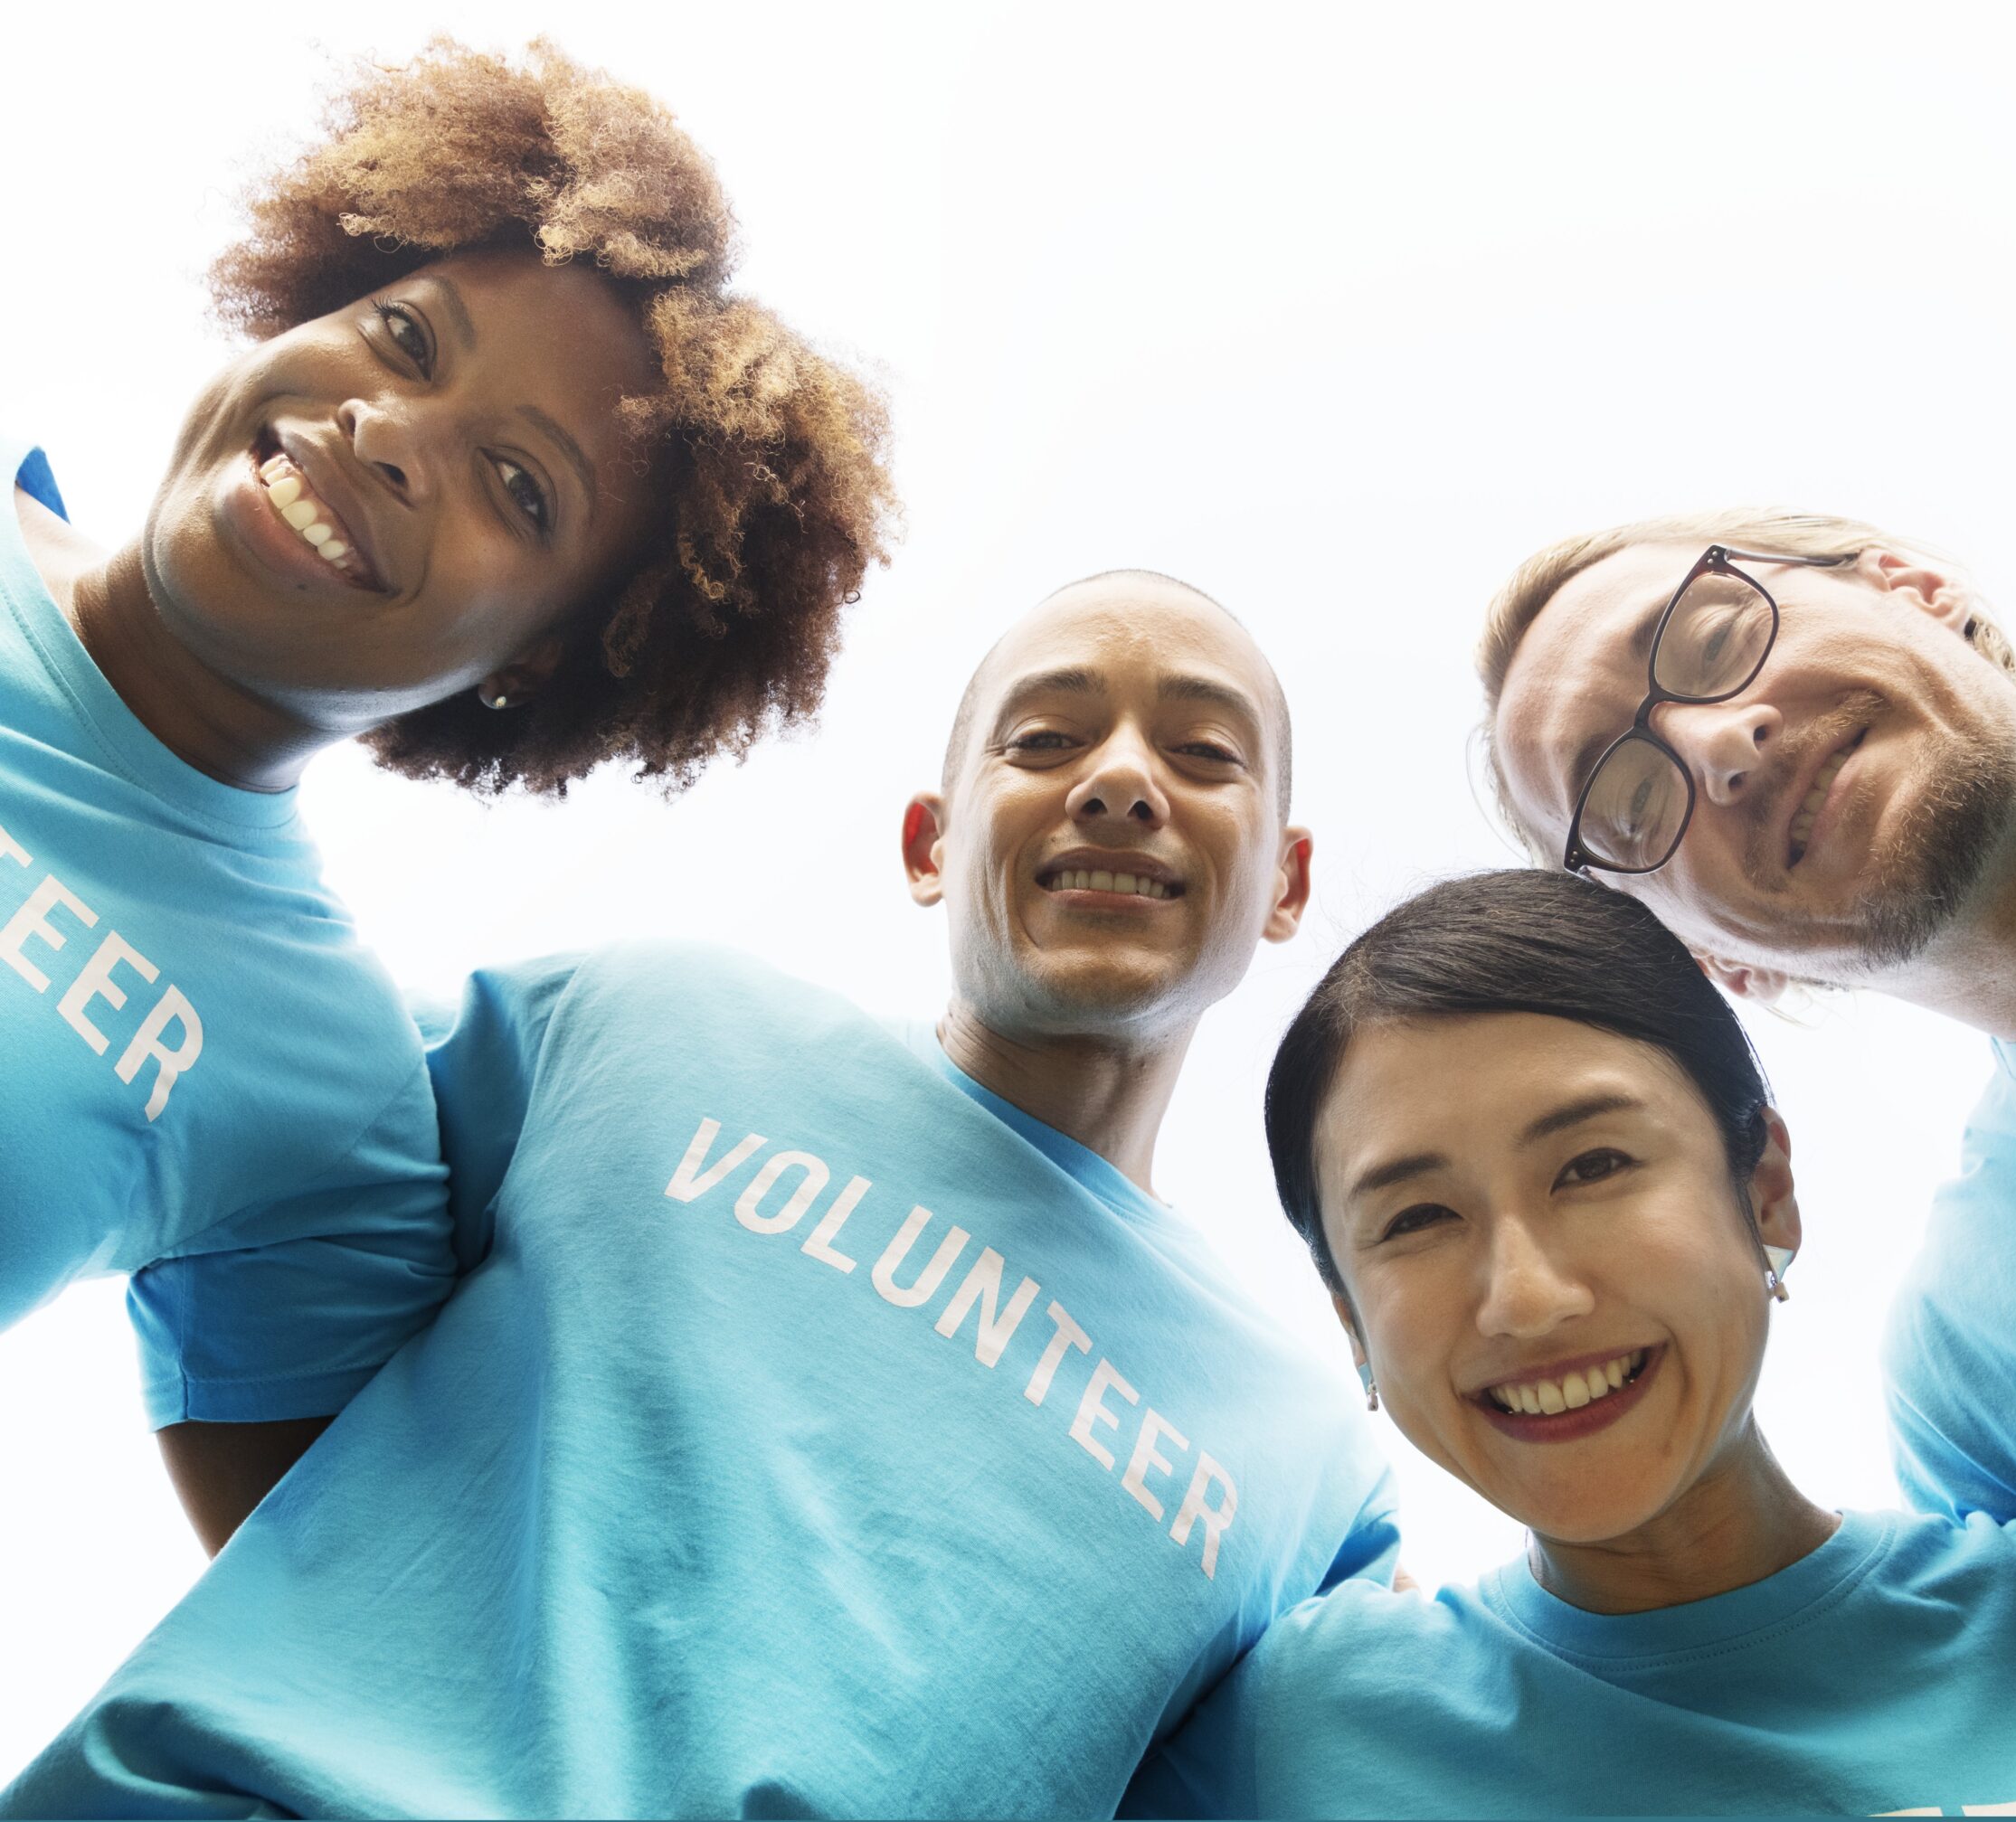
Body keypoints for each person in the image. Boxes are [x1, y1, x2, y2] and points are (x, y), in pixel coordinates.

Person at [2, 571, 1397, 1819]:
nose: (1120, 781)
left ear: (1287, 880)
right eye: (1043, 738)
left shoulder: (1315, 1465)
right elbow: (259, 1108)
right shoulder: (641, 1020)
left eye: (1204, 752)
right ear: (928, 842)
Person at [3, 39, 894, 1551]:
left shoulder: (320, 1097)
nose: (394, 437)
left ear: (538, 664)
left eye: (519, 486)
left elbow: (372, 1650)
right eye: (406, 339)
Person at [1126, 868, 2016, 1817]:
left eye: (1593, 1164)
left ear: (1768, 1193)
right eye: (1415, 1218)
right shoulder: (1275, 1746)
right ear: (1349, 1320)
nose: (1527, 1297)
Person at [1476, 445, 2016, 1603]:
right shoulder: (1992, 1385)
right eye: (1626, 802)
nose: (1717, 748)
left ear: (1913, 585)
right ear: (1719, 959)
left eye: (1715, 640)